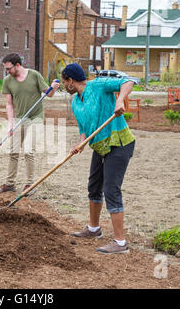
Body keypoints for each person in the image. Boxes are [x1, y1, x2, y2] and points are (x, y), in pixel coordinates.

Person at [61, 63, 135, 254]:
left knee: (111, 189)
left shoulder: (98, 85)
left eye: (63, 81)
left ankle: (120, 242)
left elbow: (128, 81)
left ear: (70, 80)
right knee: (94, 186)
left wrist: (120, 101)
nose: (63, 85)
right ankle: (94, 229)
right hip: (100, 146)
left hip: (118, 142)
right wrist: (81, 142)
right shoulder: (76, 102)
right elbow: (84, 128)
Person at [0, 53, 59, 195]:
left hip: (35, 117)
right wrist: (10, 124)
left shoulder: (34, 75)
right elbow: (9, 104)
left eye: (8, 68)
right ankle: (10, 184)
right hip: (19, 119)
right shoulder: (7, 81)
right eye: (5, 69)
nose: (7, 71)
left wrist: (53, 87)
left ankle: (30, 184)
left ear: (17, 65)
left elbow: (49, 94)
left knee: (28, 151)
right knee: (13, 152)